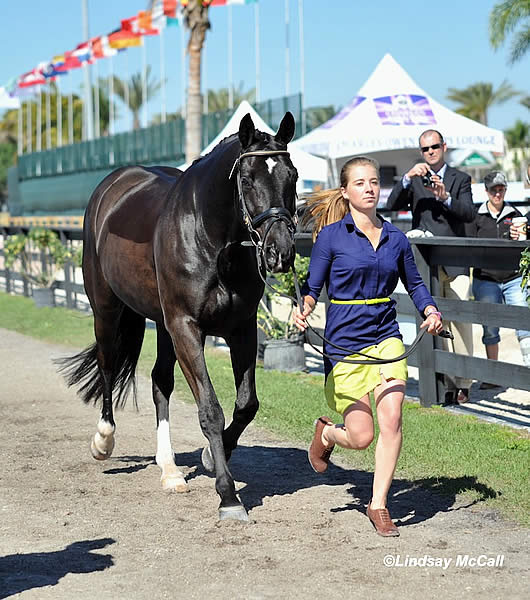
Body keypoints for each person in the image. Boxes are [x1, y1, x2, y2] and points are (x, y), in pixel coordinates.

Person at [294, 156, 443, 538]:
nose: (370, 188)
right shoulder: (331, 237)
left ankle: (378, 504)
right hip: (344, 342)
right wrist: (305, 309)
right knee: (360, 437)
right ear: (345, 191)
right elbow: (312, 289)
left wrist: (429, 308)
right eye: (360, 183)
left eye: (374, 181)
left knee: (392, 417)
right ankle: (327, 434)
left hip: (385, 336)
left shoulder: (396, 237)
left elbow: (415, 283)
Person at [386, 129, 475, 405]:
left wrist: (446, 197)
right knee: (436, 321)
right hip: (424, 263)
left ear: (444, 147)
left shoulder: (460, 178)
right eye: (425, 149)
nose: (430, 152)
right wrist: (406, 178)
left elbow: (469, 214)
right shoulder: (415, 180)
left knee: (461, 323)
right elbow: (390, 205)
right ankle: (445, 382)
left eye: (434, 147)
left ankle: (464, 382)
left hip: (455, 261)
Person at [466, 170, 530, 378]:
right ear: (486, 191)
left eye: (501, 189)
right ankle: (493, 376)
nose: (498, 193)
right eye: (494, 189)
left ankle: (528, 368)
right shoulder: (476, 217)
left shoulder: (516, 215)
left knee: (524, 323)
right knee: (490, 329)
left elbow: (523, 248)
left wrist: (520, 237)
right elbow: (469, 246)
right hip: (485, 279)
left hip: (513, 278)